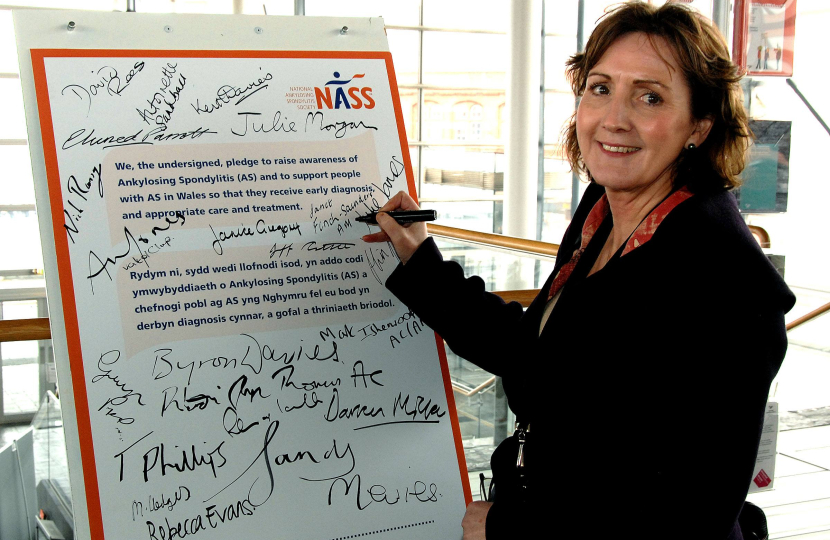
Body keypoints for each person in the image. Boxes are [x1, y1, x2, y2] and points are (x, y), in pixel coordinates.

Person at [364, 3, 795, 539]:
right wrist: (419, 260)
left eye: (649, 97)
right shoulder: (604, 214)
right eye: (600, 88)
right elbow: (538, 353)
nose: (614, 118)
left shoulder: (728, 288)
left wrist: (508, 529)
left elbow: (686, 515)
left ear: (700, 125)